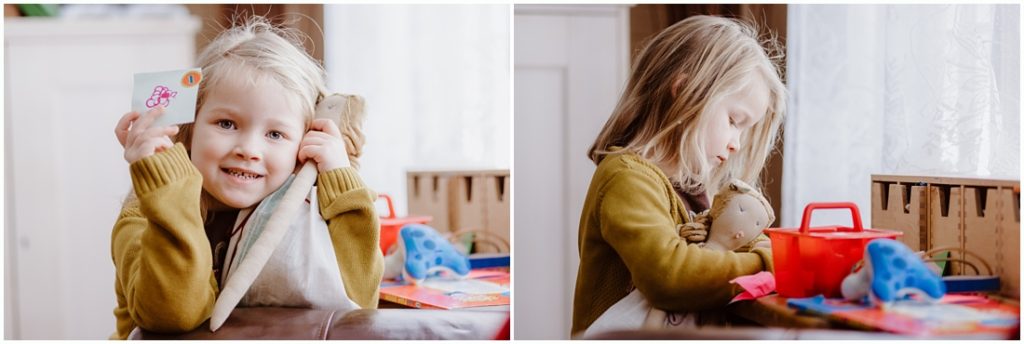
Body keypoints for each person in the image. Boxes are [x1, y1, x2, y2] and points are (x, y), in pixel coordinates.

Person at [109, 16, 383, 339]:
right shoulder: (141, 215)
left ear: (305, 144)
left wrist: (341, 180)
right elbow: (175, 315)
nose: (249, 149)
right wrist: (168, 189)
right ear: (190, 128)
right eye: (226, 124)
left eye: (275, 134)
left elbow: (359, 300)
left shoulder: (307, 213)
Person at [572, 15, 787, 335]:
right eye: (734, 120)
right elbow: (670, 276)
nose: (736, 144)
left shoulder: (692, 192)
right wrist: (769, 266)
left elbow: (738, 246)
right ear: (685, 91)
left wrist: (772, 252)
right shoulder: (627, 179)